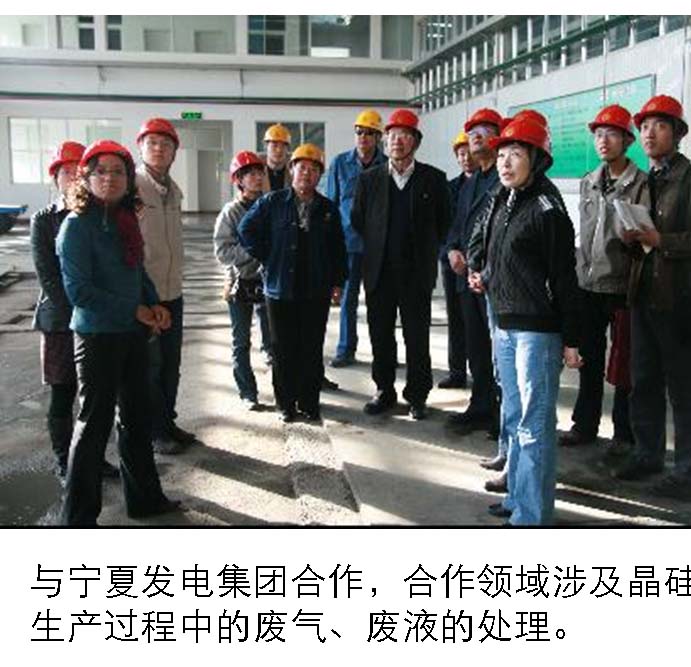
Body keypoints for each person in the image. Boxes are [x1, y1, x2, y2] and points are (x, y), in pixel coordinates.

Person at [56, 140, 181, 526]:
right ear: (86, 178)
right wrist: (136, 310)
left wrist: (154, 304)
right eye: (100, 171)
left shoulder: (126, 220)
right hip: (96, 338)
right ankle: (77, 519)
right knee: (93, 427)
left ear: (129, 180)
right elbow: (79, 292)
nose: (109, 178)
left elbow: (137, 271)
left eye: (118, 172)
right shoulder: (76, 226)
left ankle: (145, 500)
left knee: (136, 419)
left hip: (132, 335)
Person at [474, 118, 582, 525]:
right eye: (501, 154)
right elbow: (501, 255)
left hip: (537, 330)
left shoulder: (547, 209)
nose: (504, 162)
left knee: (535, 423)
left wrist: (572, 338)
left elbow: (565, 277)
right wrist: (485, 276)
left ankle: (532, 517)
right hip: (505, 323)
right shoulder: (506, 199)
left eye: (515, 154)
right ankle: (517, 499)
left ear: (536, 159)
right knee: (516, 416)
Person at [613, 95, 691, 499]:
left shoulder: (688, 178)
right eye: (644, 127)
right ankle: (647, 454)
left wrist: (663, 241)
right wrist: (631, 237)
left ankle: (687, 471)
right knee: (643, 380)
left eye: (659, 126)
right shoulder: (645, 180)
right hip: (643, 293)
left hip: (679, 299)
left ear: (676, 133)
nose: (649, 134)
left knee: (683, 387)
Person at [351, 108, 450, 420]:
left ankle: (417, 396)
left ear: (415, 142)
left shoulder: (434, 179)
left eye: (404, 135)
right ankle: (384, 390)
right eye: (392, 136)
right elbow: (358, 219)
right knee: (381, 335)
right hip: (379, 273)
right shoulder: (368, 180)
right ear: (385, 142)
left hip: (416, 274)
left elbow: (444, 222)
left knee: (417, 338)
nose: (397, 141)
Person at [30, 141, 118, 484]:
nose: (70, 177)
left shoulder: (100, 217)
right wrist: (80, 310)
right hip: (59, 320)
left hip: (96, 318)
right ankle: (64, 461)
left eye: (76, 171)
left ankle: (93, 459)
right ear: (55, 178)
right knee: (63, 392)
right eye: (64, 171)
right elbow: (49, 277)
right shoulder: (43, 221)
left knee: (95, 395)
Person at [238, 144, 347, 423]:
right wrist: (268, 255)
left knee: (311, 347)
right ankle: (285, 404)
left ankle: (309, 402)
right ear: (292, 170)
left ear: (320, 175)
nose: (307, 174)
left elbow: (338, 248)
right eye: (302, 168)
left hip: (316, 289)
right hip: (279, 289)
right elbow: (245, 229)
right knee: (283, 348)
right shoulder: (272, 202)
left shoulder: (327, 208)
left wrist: (338, 282)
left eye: (313, 169)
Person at [560, 105, 645, 456]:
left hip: (623, 286)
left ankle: (624, 433)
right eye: (598, 134)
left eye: (611, 134)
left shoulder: (642, 184)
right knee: (589, 360)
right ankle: (585, 424)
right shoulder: (589, 181)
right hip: (589, 283)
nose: (603, 141)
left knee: (624, 365)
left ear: (627, 140)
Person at [136, 117, 195, 455]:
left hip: (173, 292)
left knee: (171, 364)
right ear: (141, 148)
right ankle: (155, 432)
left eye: (166, 144)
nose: (159, 149)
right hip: (148, 294)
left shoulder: (174, 191)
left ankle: (168, 422)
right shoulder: (133, 187)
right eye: (152, 143)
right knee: (151, 367)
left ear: (174, 152)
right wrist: (143, 298)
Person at [446, 108, 503, 435]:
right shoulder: (471, 183)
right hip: (466, 277)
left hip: (492, 279)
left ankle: (501, 413)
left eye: (484, 130)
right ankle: (480, 404)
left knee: (498, 350)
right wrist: (453, 249)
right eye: (471, 132)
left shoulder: (503, 178)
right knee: (476, 346)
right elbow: (457, 224)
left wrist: (484, 266)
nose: (476, 137)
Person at [327, 109, 387, 368]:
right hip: (347, 244)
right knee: (347, 300)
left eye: (369, 133)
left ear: (378, 138)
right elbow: (331, 204)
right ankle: (345, 349)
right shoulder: (340, 163)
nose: (363, 137)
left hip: (377, 246)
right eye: (359, 132)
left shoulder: (387, 165)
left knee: (379, 302)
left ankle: (383, 352)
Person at [213, 150, 271, 410]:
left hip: (268, 282)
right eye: (250, 174)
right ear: (238, 180)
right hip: (241, 283)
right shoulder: (230, 213)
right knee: (241, 341)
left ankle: (282, 389)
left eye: (259, 173)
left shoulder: (269, 206)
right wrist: (253, 250)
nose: (257, 178)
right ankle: (248, 392)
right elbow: (223, 252)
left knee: (273, 339)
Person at [438, 130, 476, 389]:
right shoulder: (450, 188)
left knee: (476, 320)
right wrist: (450, 251)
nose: (465, 158)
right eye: (461, 154)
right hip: (451, 261)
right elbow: (442, 224)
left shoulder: (489, 184)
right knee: (455, 317)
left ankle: (482, 373)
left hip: (476, 263)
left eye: (468, 152)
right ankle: (457, 371)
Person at [262, 123, 292, 192]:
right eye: (274, 146)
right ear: (266, 147)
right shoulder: (258, 176)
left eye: (283, 146)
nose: (279, 150)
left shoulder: (293, 176)